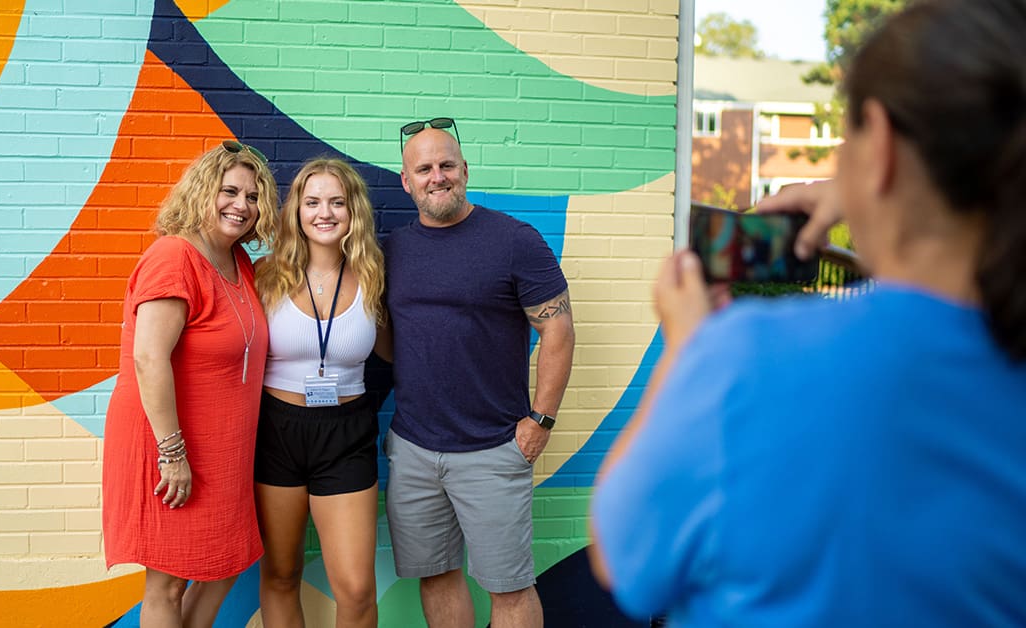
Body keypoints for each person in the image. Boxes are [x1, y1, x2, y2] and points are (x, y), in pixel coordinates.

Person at [590, 0, 1026, 625]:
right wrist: (874, 206)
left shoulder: (746, 359)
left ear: (880, 143)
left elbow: (623, 561)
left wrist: (685, 350)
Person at [383, 119, 576, 628]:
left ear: (465, 170)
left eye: (447, 165)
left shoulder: (513, 240)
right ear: (406, 181)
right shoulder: (393, 250)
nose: (437, 176)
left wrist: (541, 421)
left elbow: (558, 330)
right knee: (436, 576)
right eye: (424, 168)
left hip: (493, 450)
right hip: (414, 450)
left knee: (509, 587)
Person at [102, 140, 278, 628]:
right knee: (168, 583)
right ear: (202, 192)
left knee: (225, 563)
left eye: (253, 196)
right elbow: (148, 357)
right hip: (172, 444)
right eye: (229, 191)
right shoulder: (174, 257)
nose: (241, 205)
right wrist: (172, 452)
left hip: (221, 449)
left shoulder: (239, 261)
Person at [251, 158, 389, 628]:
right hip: (276, 430)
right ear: (296, 210)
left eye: (337, 202)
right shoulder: (265, 274)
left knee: (356, 589)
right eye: (312, 202)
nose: (324, 213)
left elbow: (398, 351)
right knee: (281, 574)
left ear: (354, 211)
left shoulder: (373, 276)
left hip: (347, 435)